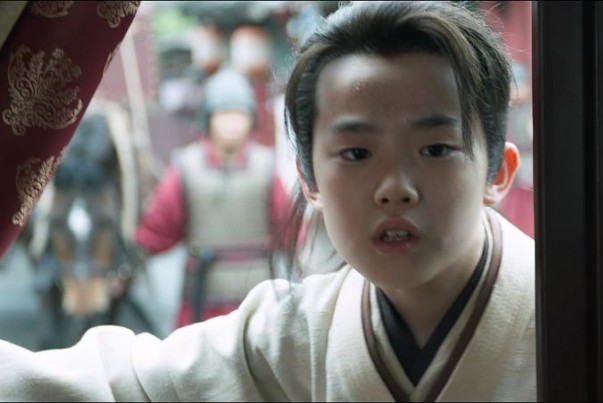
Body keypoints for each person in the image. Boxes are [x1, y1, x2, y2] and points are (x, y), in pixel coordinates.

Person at [0, 2, 534, 401]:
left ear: (498, 173)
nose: (395, 187)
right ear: (310, 180)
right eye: (356, 153)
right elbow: (121, 385)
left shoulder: (565, 313)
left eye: (435, 149)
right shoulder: (294, 336)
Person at [132, 68, 291, 329]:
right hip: (202, 304)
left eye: (239, 114)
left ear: (251, 118)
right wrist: (127, 260)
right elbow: (157, 231)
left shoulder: (265, 168)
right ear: (209, 118)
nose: (232, 123)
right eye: (224, 114)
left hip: (259, 306)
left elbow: (291, 231)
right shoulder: (186, 168)